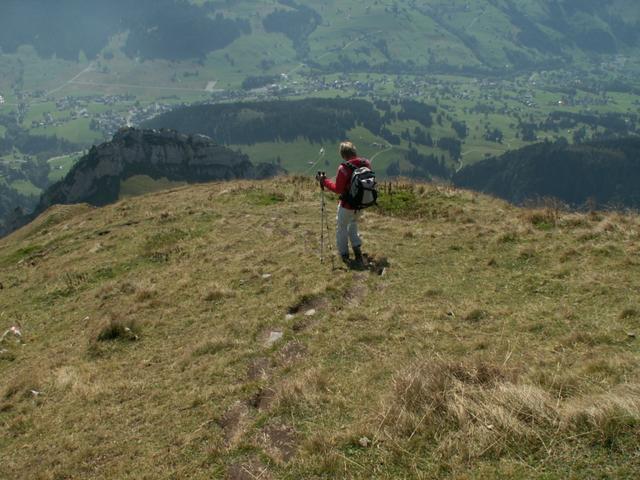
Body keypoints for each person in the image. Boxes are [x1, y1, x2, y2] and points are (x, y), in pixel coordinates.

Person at [316, 141, 371, 265]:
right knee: (353, 224)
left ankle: (344, 254)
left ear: (343, 154)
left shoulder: (344, 168)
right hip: (361, 203)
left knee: (341, 227)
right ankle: (357, 250)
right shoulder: (366, 163)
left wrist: (324, 181)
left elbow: (338, 189)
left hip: (347, 205)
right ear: (354, 151)